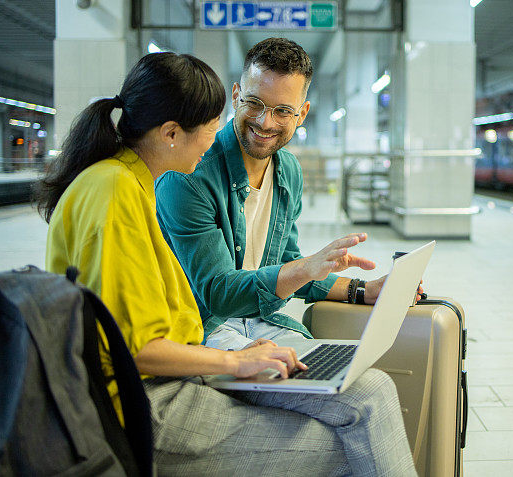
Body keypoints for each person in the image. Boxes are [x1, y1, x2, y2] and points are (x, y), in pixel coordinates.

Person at [38, 52, 416, 476]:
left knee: (368, 397)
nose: (219, 136)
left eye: (282, 111)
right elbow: (137, 349)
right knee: (348, 438)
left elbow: (153, 327)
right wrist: (235, 362)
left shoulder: (127, 182)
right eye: (213, 124)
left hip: (178, 374)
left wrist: (353, 288)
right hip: (142, 406)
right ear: (170, 133)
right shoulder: (118, 193)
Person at [156, 38, 421, 352]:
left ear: (302, 113)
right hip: (201, 326)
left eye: (282, 111)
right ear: (236, 96)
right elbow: (218, 293)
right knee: (330, 390)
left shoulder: (288, 171)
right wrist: (305, 267)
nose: (264, 122)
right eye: (254, 103)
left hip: (260, 319)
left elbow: (286, 263)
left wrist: (364, 290)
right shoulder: (189, 173)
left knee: (354, 375)